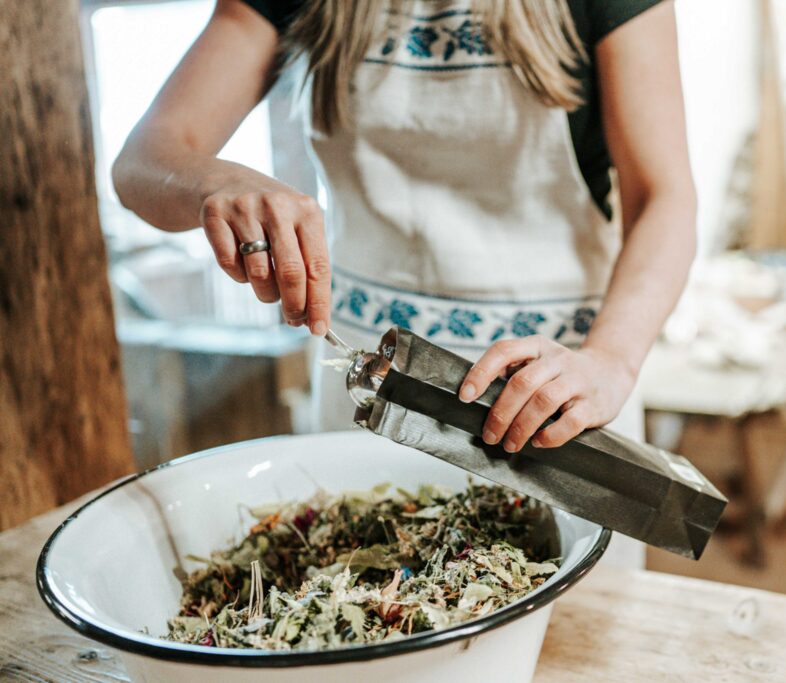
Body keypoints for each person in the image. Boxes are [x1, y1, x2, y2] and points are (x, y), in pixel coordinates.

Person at [113, 0, 696, 566]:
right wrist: (216, 181)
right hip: (372, 396)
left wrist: (610, 363)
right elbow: (142, 161)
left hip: (553, 395)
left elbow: (664, 198)